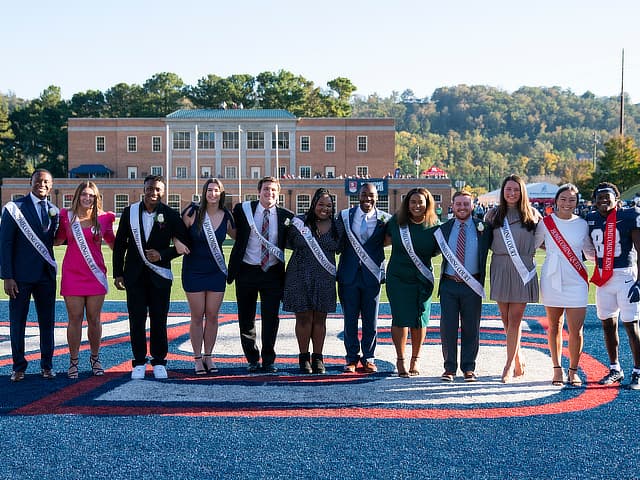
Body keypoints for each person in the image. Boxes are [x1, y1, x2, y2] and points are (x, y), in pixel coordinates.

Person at [113, 175, 189, 380]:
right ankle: (138, 361)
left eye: (157, 189)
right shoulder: (130, 212)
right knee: (136, 320)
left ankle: (158, 361)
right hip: (134, 276)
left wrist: (163, 254)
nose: (153, 193)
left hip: (160, 277)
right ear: (143, 189)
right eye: (150, 189)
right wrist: (118, 273)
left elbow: (185, 243)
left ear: (162, 192)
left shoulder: (171, 214)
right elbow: (120, 244)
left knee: (159, 320)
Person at [227, 176, 294, 373]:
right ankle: (252, 358)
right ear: (259, 191)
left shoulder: (285, 215)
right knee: (246, 317)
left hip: (272, 273)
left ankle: (268, 360)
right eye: (266, 189)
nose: (269, 193)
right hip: (246, 270)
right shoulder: (243, 210)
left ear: (278, 193)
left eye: (273, 190)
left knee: (271, 318)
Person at [1, 169, 59, 382]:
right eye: (38, 181)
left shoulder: (55, 210)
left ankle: (47, 365)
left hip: (46, 277)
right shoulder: (14, 208)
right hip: (20, 277)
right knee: (17, 323)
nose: (42, 185)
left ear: (51, 185)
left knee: (47, 322)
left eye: (46, 182)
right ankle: (18, 367)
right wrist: (7, 276)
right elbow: (5, 244)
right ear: (31, 182)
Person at [535, 184, 595, 386]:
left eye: (571, 199)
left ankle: (573, 370)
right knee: (554, 326)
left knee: (576, 330)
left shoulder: (583, 224)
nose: (567, 203)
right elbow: (531, 246)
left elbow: (588, 251)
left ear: (577, 203)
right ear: (556, 200)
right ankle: (557, 368)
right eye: (563, 199)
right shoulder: (545, 223)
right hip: (552, 278)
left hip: (576, 280)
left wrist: (611, 260)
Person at [54, 181, 116, 378]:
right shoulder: (66, 216)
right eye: (84, 195)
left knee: (94, 320)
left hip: (95, 275)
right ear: (77, 196)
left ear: (96, 197)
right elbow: (57, 239)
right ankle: (73, 362)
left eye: (91, 195)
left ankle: (95, 358)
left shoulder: (105, 218)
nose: (87, 198)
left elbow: (115, 244)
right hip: (72, 274)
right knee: (74, 319)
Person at [485, 174, 541, 383]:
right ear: (502, 191)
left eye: (516, 189)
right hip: (500, 266)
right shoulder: (492, 215)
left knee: (515, 319)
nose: (512, 193)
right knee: (506, 318)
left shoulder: (533, 215)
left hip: (522, 269)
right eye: (508, 189)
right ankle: (517, 356)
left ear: (522, 192)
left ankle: (508, 365)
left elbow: (544, 240)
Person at [586, 182, 640, 389]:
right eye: (599, 197)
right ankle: (615, 368)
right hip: (603, 278)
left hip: (625, 275)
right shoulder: (590, 218)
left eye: (607, 197)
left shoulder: (628, 215)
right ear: (594, 200)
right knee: (608, 324)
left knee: (631, 323)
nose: (603, 201)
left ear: (616, 198)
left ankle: (638, 371)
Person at [435, 191, 492, 382]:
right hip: (449, 285)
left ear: (472, 206)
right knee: (448, 329)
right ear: (452, 206)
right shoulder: (444, 228)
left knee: (471, 328)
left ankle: (469, 368)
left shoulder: (483, 228)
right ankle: (449, 368)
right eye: (458, 204)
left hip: (472, 285)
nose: (462, 208)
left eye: (466, 204)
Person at [180, 178, 235, 375]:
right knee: (197, 315)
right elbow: (177, 231)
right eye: (209, 190)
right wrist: (177, 243)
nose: (212, 194)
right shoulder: (192, 212)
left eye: (216, 190)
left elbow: (241, 236)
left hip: (216, 272)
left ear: (221, 194)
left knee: (212, 315)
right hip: (193, 270)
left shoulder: (226, 215)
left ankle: (209, 356)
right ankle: (196, 358)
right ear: (204, 193)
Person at [283, 188, 341, 374]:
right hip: (299, 275)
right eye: (321, 204)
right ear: (313, 204)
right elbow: (286, 242)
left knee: (320, 319)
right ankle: (303, 357)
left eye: (329, 205)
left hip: (324, 277)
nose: (324, 208)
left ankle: (318, 357)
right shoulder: (298, 223)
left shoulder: (337, 225)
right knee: (303, 318)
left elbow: (341, 247)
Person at [384, 187, 439, 377]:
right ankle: (400, 360)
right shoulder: (396, 222)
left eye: (420, 202)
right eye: (413, 202)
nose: (416, 205)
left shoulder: (435, 225)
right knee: (400, 318)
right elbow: (380, 242)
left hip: (422, 279)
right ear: (407, 204)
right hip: (398, 278)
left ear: (427, 204)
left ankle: (415, 360)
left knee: (419, 319)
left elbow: (441, 249)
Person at [335, 183, 389, 373]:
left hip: (372, 277)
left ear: (377, 196)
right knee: (349, 320)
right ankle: (351, 358)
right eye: (364, 194)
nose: (368, 198)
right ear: (358, 195)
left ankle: (368, 357)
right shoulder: (345, 216)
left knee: (371, 321)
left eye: (371, 195)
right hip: (348, 276)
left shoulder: (385, 219)